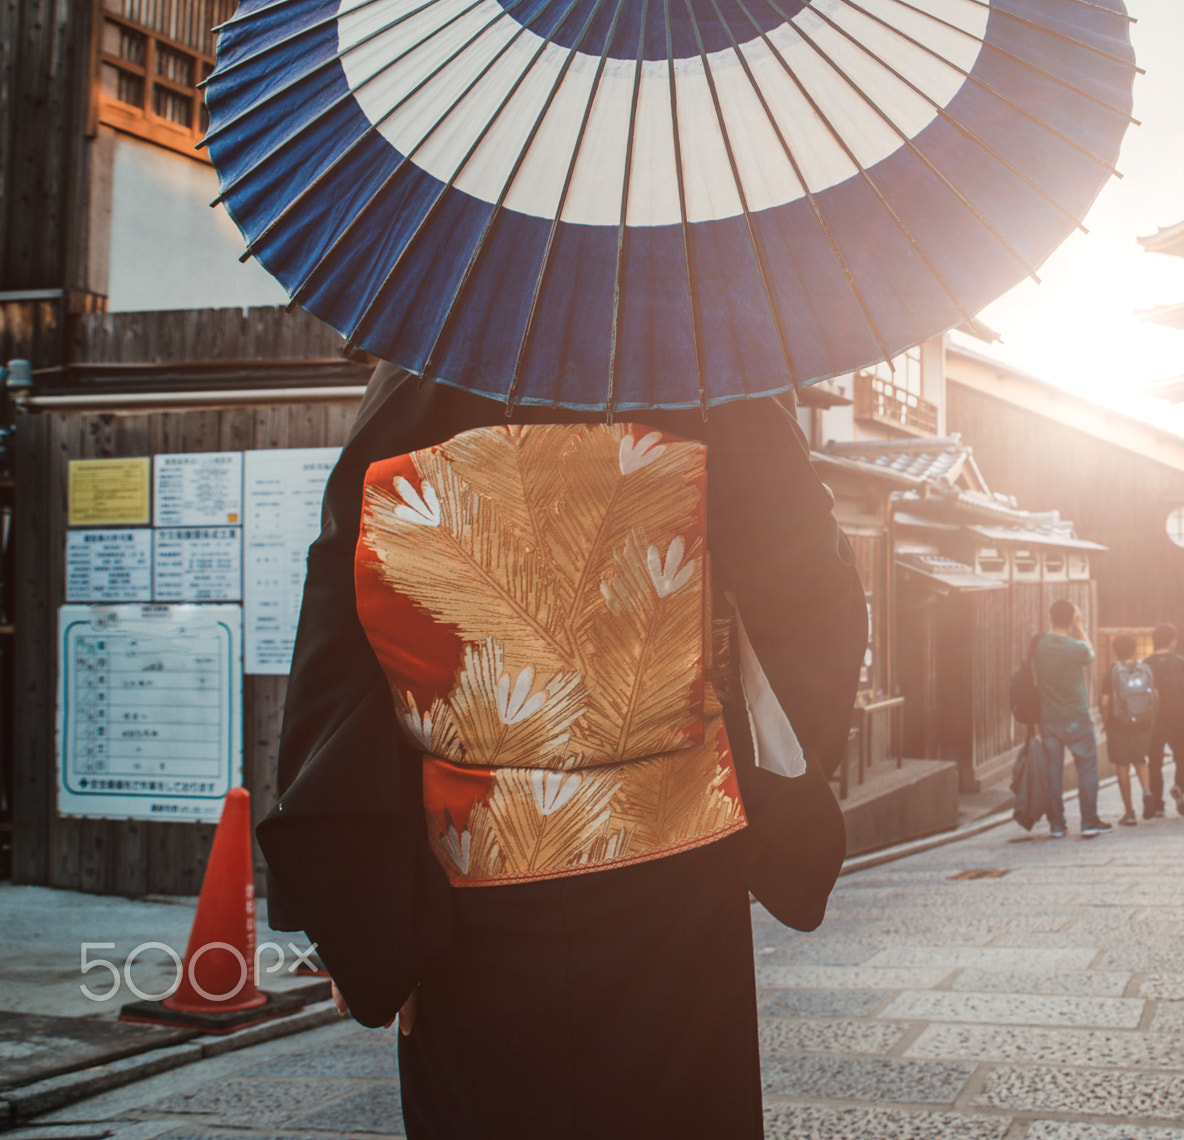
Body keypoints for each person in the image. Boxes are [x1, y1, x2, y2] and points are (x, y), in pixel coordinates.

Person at [259, 365, 868, 1138]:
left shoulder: (428, 352)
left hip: (468, 878)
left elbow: (343, 613)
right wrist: (762, 789)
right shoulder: (712, 361)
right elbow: (814, 591)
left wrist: (359, 912)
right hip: (672, 869)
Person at [1035, 599, 1111, 838]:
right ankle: (1088, 822)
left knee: (1053, 772)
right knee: (1087, 769)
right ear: (1071, 619)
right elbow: (1090, 653)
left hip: (1049, 719)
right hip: (1076, 716)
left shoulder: (1040, 644)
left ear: (1049, 617)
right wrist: (1079, 626)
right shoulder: (1076, 648)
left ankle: (1057, 824)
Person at [1098, 635, 1156, 826]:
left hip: (1118, 724)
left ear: (1115, 650)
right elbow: (1155, 696)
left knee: (1122, 766)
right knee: (1140, 761)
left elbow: (1106, 702)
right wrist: (1151, 718)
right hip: (1142, 722)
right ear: (1133, 649)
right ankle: (1147, 791)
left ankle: (1129, 811)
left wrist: (1106, 720)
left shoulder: (1112, 671)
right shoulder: (1145, 669)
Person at [1143, 624, 1184, 817]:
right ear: (1173, 640)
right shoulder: (1183, 663)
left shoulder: (1146, 664)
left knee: (1154, 761)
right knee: (1183, 757)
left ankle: (1157, 802)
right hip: (1178, 717)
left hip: (1153, 720)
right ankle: (1179, 786)